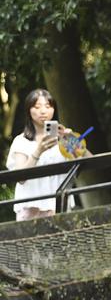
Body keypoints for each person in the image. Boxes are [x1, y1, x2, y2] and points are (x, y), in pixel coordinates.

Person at [4, 89, 81, 220]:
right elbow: (20, 178)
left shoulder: (65, 138)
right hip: (31, 208)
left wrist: (73, 140)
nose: (43, 111)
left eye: (48, 106)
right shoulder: (21, 141)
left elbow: (89, 160)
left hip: (60, 206)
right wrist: (38, 151)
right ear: (29, 110)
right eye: (37, 106)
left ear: (54, 109)